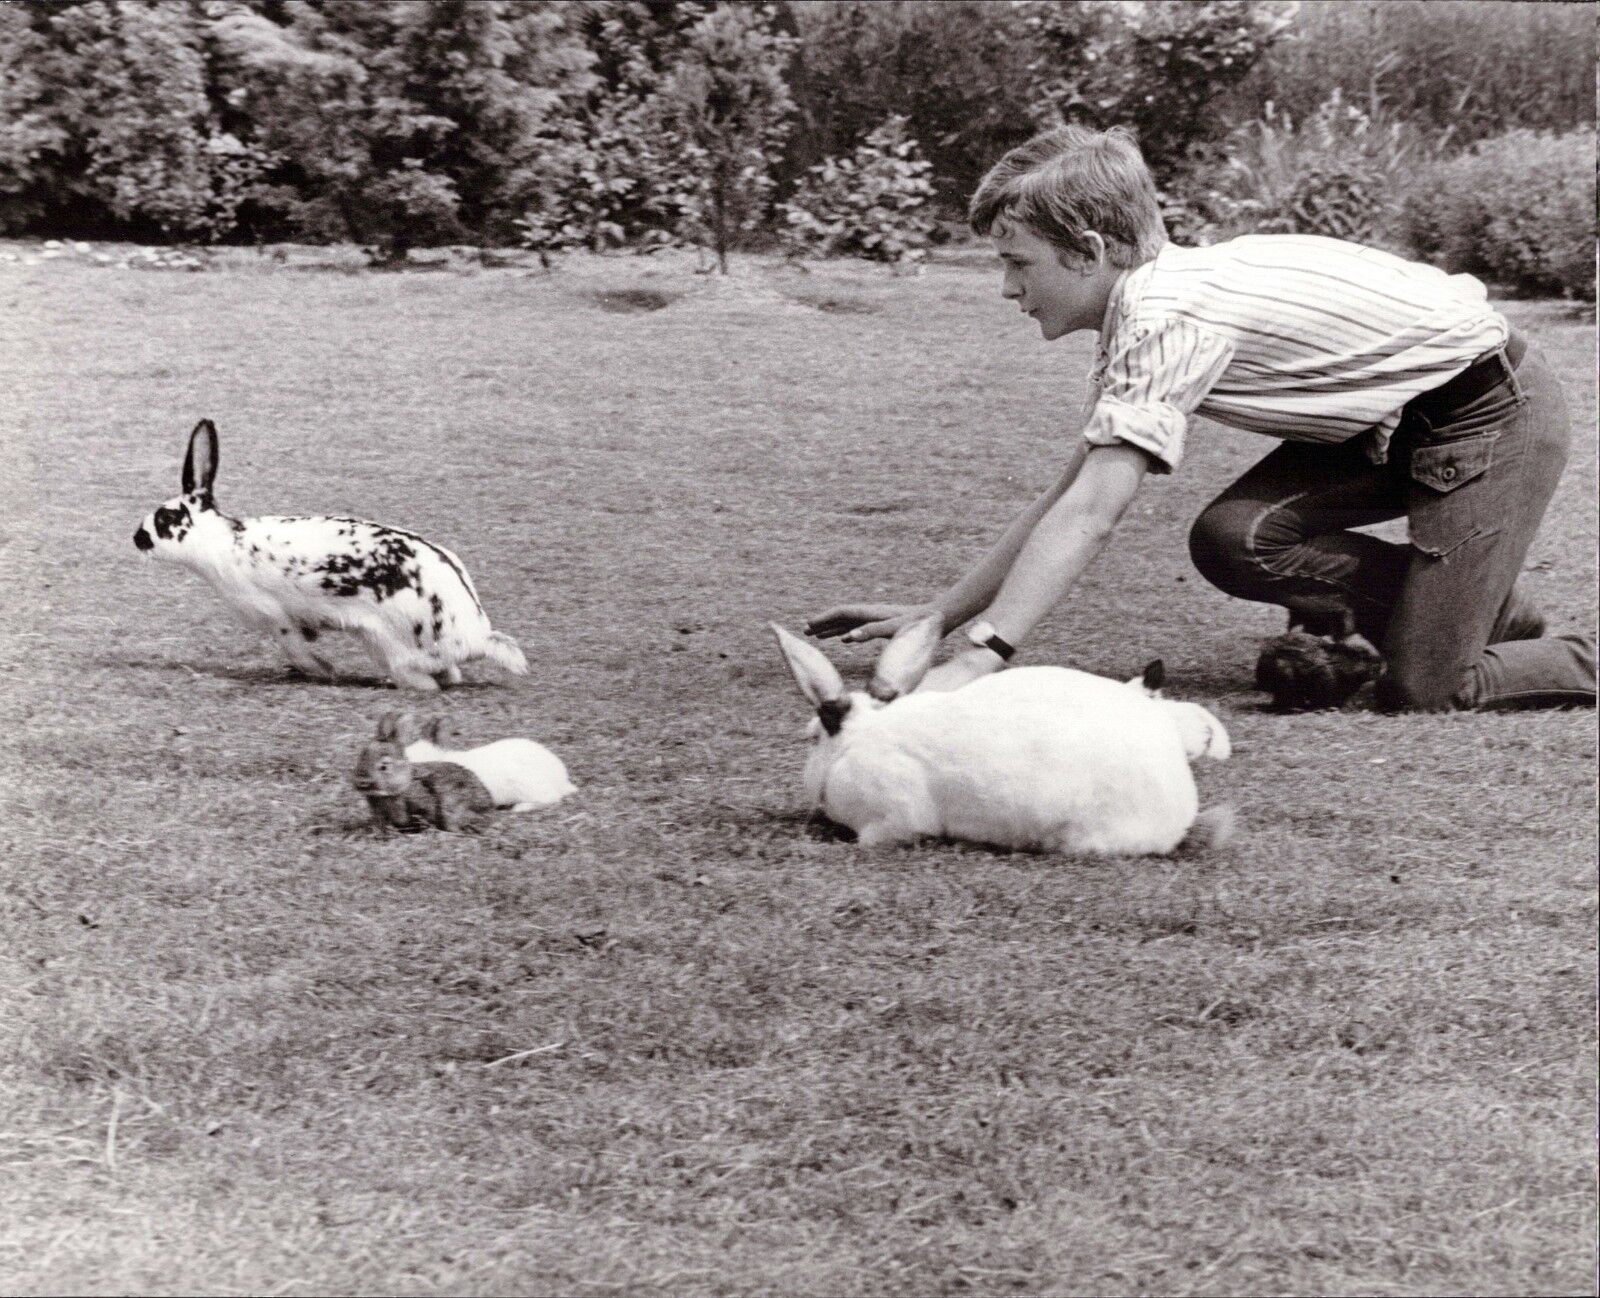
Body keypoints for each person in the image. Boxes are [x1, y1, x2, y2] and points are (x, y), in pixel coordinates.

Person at [806, 125, 1595, 711]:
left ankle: (1559, 649)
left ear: (1086, 250)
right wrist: (942, 614)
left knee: (1426, 687)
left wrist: (983, 655)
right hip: (1391, 420)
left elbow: (1093, 516)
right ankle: (1481, 607)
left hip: (1488, 414)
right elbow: (1074, 489)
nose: (1008, 289)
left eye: (1018, 263)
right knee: (1233, 539)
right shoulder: (1144, 305)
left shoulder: (1165, 315)